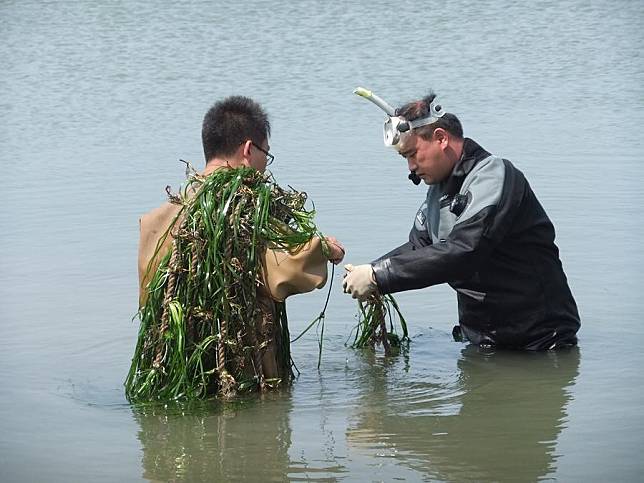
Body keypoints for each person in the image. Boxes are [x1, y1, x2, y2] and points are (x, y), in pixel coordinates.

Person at [343, 91, 580, 350]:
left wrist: (379, 276)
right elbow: (420, 248)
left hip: (542, 343)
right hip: (484, 341)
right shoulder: (439, 192)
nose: (410, 167)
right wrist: (369, 270)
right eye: (405, 158)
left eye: (412, 154)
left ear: (441, 138)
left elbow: (464, 251)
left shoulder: (494, 177)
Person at [137, 95, 344, 382]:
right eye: (265, 154)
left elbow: (150, 299)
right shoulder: (246, 208)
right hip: (239, 372)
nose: (265, 166)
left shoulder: (156, 220)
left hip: (177, 367)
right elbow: (286, 269)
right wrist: (326, 249)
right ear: (248, 149)